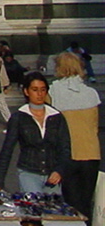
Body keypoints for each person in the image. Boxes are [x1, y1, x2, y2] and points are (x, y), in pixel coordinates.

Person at [0, 71, 69, 196]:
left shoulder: (56, 116)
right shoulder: (19, 117)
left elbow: (65, 148)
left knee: (52, 207)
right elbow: (7, 150)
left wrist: (59, 170)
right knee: (34, 205)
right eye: (35, 90)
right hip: (29, 172)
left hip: (52, 174)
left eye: (43, 90)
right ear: (26, 91)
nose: (39, 94)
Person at [49, 51, 100, 220]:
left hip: (67, 154)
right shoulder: (91, 94)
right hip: (91, 153)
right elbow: (94, 126)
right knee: (85, 203)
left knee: (70, 204)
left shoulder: (53, 92)